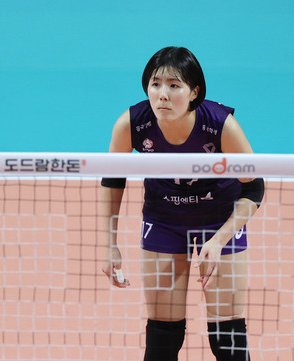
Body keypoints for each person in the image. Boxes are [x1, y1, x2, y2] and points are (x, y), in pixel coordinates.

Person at [101, 47, 264, 361]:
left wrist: (219, 241)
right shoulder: (132, 124)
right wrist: (110, 243)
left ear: (194, 92)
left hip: (219, 221)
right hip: (164, 222)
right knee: (162, 337)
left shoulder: (220, 125)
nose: (163, 94)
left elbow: (254, 188)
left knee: (227, 338)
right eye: (156, 84)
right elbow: (112, 180)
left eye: (174, 86)